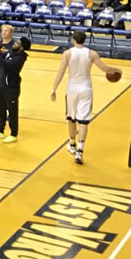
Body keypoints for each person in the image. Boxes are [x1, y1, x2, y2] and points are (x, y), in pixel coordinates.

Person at [51, 30, 104, 165]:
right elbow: (104, 68)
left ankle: (72, 144)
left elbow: (61, 72)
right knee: (84, 121)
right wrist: (115, 71)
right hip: (86, 88)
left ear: (73, 40)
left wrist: (54, 88)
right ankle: (80, 150)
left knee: (71, 118)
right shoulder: (92, 54)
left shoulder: (67, 53)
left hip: (72, 89)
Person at [0, 26, 27, 143]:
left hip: (10, 82)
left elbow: (7, 63)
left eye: (6, 31)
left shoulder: (18, 52)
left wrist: (0, 50)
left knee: (12, 110)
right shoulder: (0, 45)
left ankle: (13, 133)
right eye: (2, 30)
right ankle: (0, 130)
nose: (3, 33)